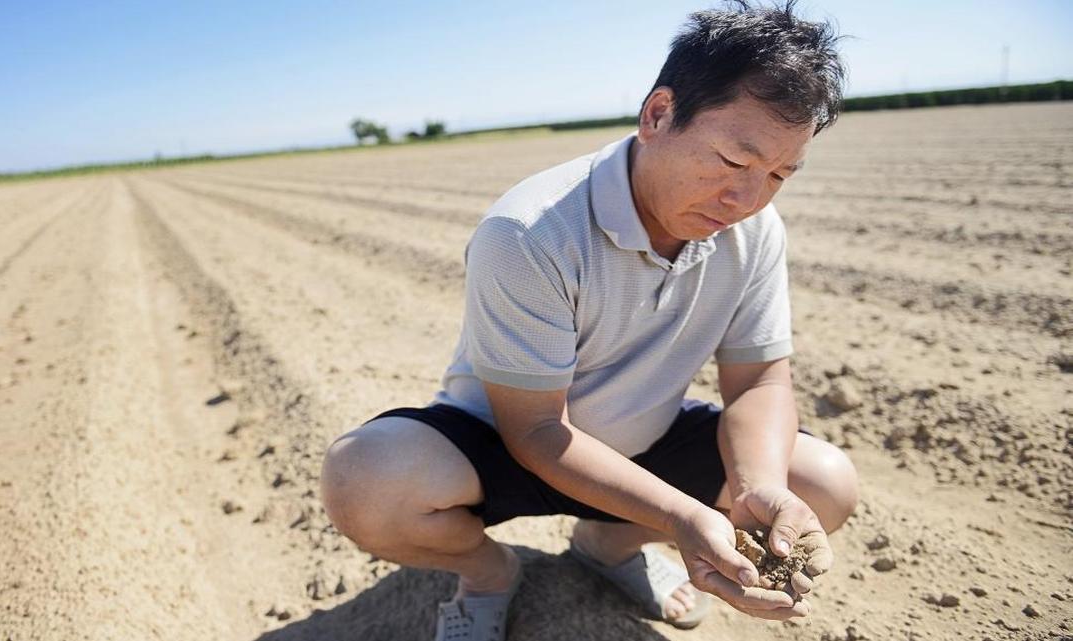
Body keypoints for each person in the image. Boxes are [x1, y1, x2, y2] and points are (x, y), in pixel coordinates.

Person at [320, 2, 858, 638]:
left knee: (822, 483)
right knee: (363, 480)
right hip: (506, 442)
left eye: (778, 175)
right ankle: (489, 574)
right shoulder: (531, 230)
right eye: (735, 162)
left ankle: (607, 547)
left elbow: (761, 381)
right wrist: (683, 518)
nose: (747, 199)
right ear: (658, 115)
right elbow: (539, 432)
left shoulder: (755, 231)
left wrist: (756, 488)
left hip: (641, 442)